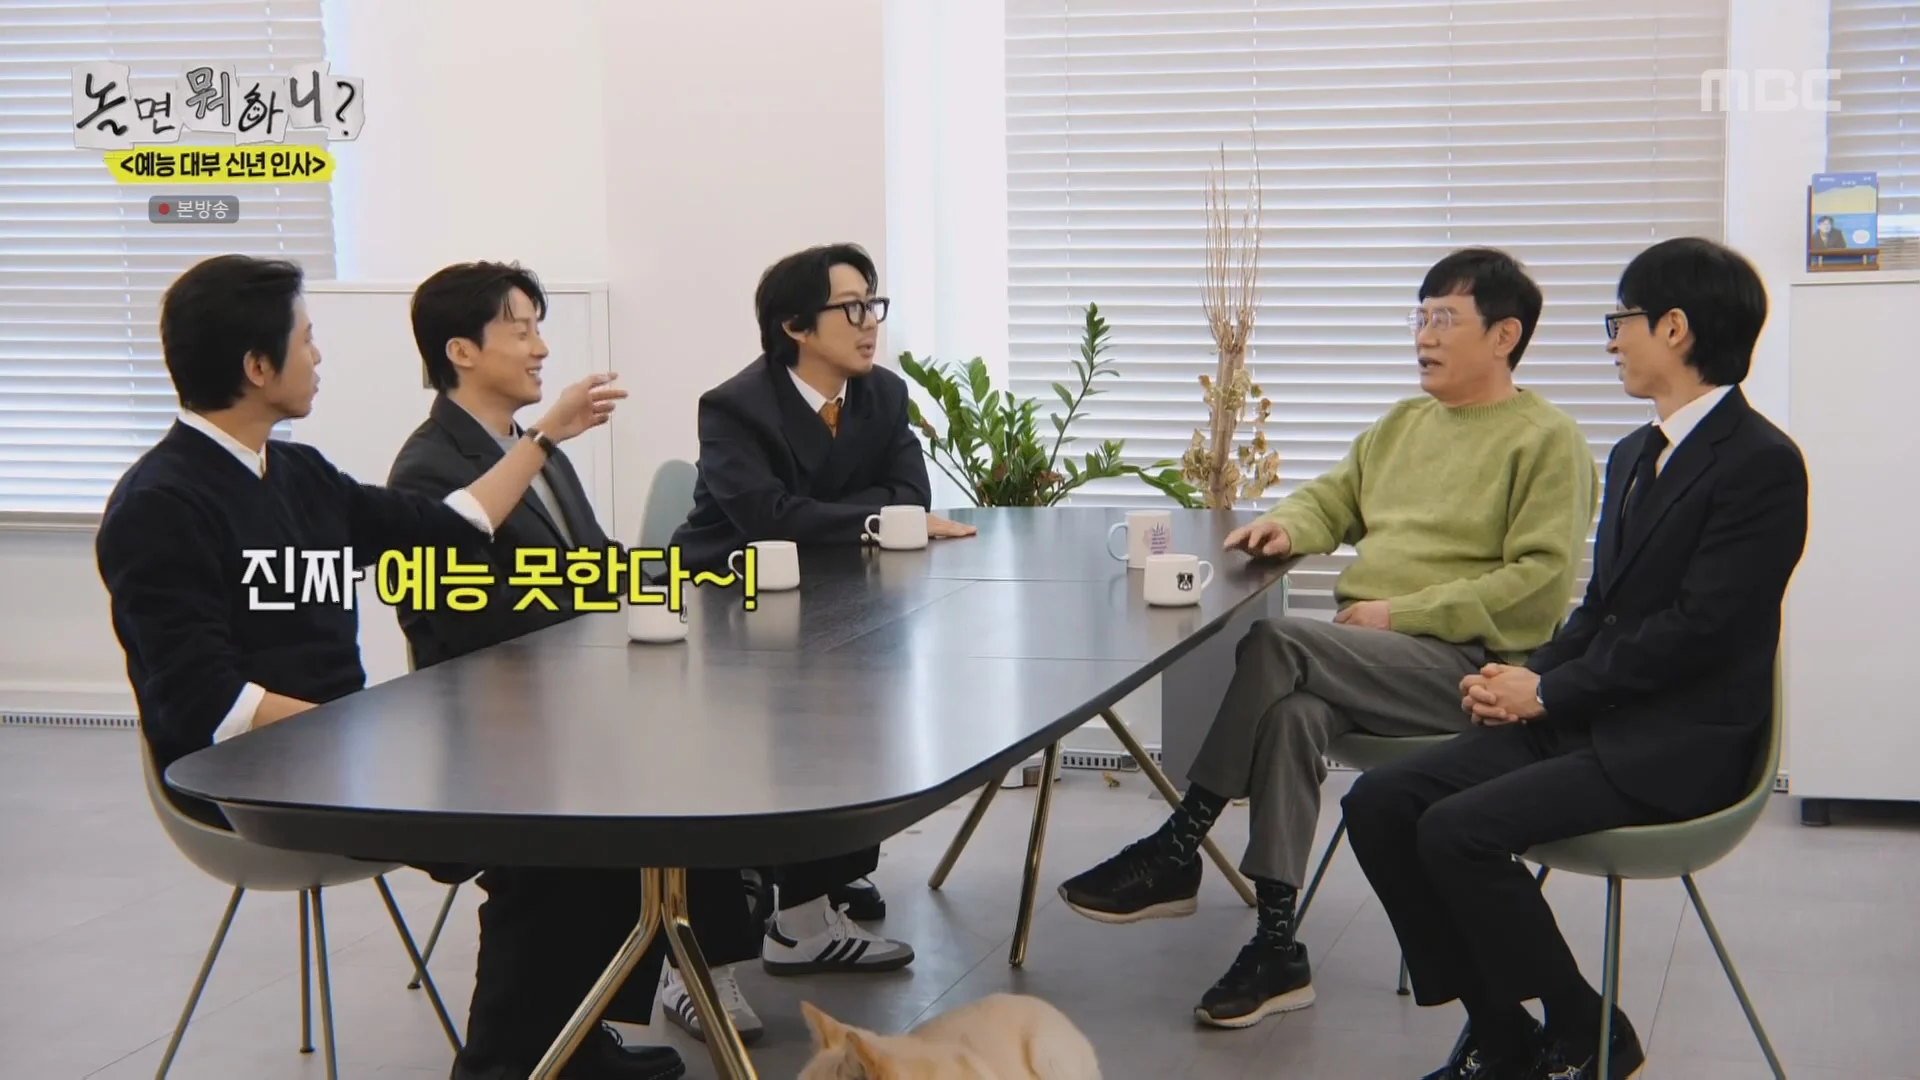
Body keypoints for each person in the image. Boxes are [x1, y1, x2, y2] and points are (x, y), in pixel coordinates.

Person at [91, 254, 683, 1080]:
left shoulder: (298, 473)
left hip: (340, 750)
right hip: (248, 777)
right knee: (546, 821)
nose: (318, 356)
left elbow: (448, 526)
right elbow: (208, 703)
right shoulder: (160, 504)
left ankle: (564, 1048)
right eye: (306, 340)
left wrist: (545, 437)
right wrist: (367, 736)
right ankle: (513, 1064)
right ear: (257, 366)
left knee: (589, 800)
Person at [1054, 247, 1600, 1030]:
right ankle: (1278, 947)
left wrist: (1400, 613)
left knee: (1279, 645)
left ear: (1505, 335)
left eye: (1444, 319)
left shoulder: (1548, 440)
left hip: (1470, 668)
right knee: (1291, 716)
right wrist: (1287, 527)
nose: (1424, 336)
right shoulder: (1402, 424)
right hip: (1374, 661)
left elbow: (1539, 587)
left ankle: (1179, 845)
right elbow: (1332, 499)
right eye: (1420, 317)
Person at [1341, 237, 1807, 1080]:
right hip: (1592, 717)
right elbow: (1601, 609)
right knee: (1379, 801)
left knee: (1456, 831)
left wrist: (1549, 693)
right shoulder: (1632, 454)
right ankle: (1505, 1034)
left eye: (1621, 320)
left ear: (1675, 328)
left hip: (1679, 744)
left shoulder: (1761, 465)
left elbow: (1699, 631)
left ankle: (1583, 1026)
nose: (1611, 339)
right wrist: (1524, 678)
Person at [384, 262, 766, 1052]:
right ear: (461, 350)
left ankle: (596, 1029)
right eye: (521, 329)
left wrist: (676, 583)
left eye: (539, 328)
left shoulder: (536, 450)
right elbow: (461, 615)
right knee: (630, 808)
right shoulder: (432, 466)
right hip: (497, 728)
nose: (541, 347)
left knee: (718, 751)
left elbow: (586, 564)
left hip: (572, 707)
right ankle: (526, 1053)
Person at [667, 242, 972, 978]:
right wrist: (869, 516)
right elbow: (765, 517)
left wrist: (838, 516)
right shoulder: (736, 407)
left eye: (874, 304)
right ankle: (749, 920)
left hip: (840, 595)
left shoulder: (883, 394)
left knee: (864, 721)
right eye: (852, 308)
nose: (870, 323)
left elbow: (913, 497)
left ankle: (807, 908)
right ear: (796, 326)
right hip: (727, 603)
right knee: (790, 733)